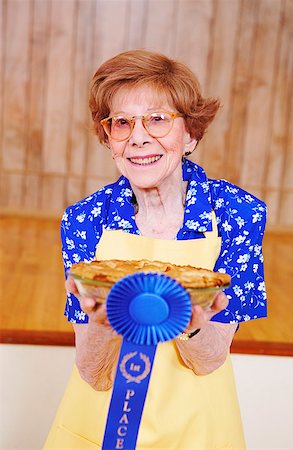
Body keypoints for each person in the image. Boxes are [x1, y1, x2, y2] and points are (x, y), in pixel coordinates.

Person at [44, 49, 267, 449]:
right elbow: (92, 372)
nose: (138, 137)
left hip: (197, 430)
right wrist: (104, 322)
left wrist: (189, 320)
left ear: (191, 134)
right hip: (100, 428)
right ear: (108, 137)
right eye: (122, 123)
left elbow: (210, 358)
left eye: (158, 119)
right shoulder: (85, 220)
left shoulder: (237, 214)